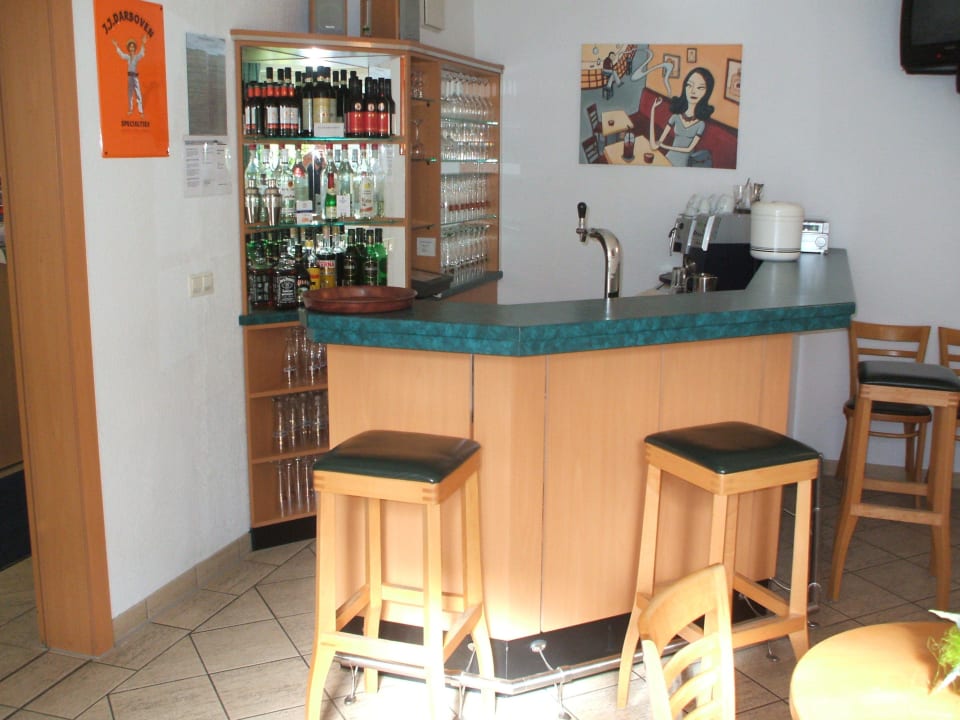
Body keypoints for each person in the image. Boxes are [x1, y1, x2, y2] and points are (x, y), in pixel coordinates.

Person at [650, 67, 715, 167]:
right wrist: (653, 109)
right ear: (684, 87)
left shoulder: (701, 124)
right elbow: (654, 146)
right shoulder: (675, 117)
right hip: (668, 159)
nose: (693, 91)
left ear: (707, 92)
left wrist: (666, 147)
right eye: (689, 85)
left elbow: (688, 149)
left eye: (700, 88)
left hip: (684, 164)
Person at [112, 35, 148, 116]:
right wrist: (116, 46)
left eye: (133, 47)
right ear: (129, 48)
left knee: (138, 93)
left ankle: (141, 111)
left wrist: (143, 43)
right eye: (130, 47)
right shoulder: (128, 57)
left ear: (135, 48)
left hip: (135, 77)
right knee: (130, 93)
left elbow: (141, 54)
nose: (132, 48)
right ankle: (130, 109)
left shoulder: (136, 57)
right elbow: (121, 55)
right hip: (129, 77)